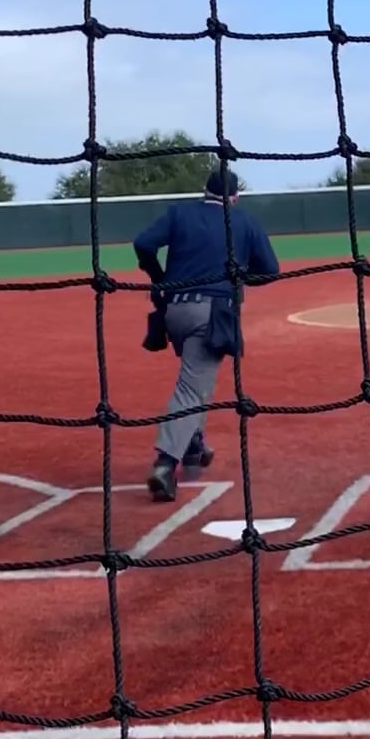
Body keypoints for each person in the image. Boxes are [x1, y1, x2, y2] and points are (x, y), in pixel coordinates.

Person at [133, 165, 280, 502]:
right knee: (191, 386)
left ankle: (194, 444)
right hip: (212, 314)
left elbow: (143, 243)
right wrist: (240, 276)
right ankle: (165, 463)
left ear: (205, 190)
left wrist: (159, 277)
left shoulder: (180, 213)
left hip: (174, 312)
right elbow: (270, 270)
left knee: (199, 378)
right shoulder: (244, 221)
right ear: (235, 196)